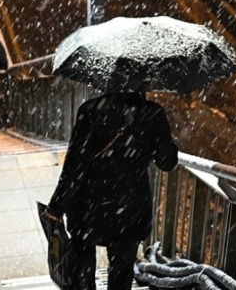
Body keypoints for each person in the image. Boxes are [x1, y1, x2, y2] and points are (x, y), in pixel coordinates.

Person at [45, 91, 178, 290]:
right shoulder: (152, 113)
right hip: (130, 209)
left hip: (88, 206)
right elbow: (168, 162)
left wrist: (57, 205)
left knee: (81, 269)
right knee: (122, 271)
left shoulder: (91, 110)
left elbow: (75, 165)